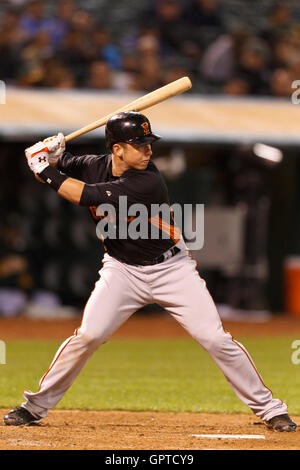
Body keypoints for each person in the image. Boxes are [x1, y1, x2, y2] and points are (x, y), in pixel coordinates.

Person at [4, 112, 296, 432]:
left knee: (215, 338)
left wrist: (44, 168)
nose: (148, 151)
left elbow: (83, 195)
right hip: (121, 271)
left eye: (148, 144)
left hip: (172, 269)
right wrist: (54, 156)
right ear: (117, 149)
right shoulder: (93, 164)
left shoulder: (148, 180)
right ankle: (35, 406)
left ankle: (270, 409)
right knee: (88, 336)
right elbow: (61, 170)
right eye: (139, 145)